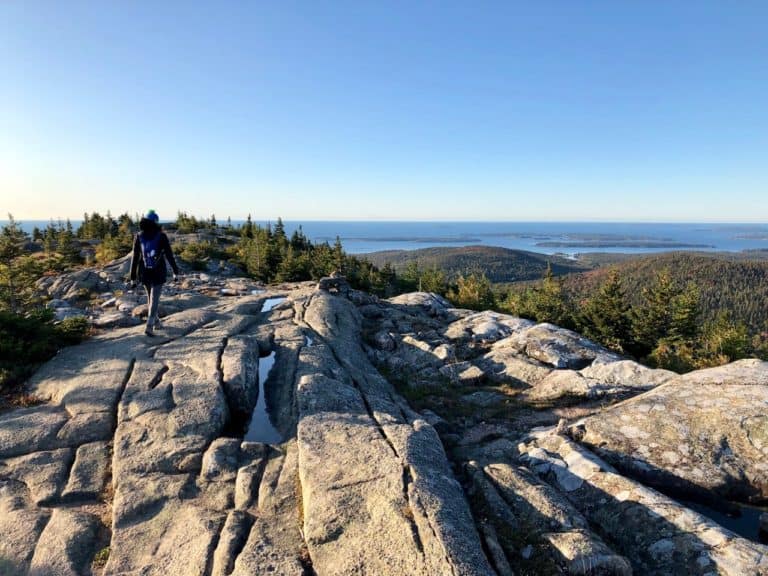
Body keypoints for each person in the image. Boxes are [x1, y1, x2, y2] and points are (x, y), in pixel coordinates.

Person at [129, 210, 179, 336]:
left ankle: (157, 322)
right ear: (156, 221)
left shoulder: (139, 236)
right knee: (154, 299)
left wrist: (133, 277)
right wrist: (175, 271)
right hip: (158, 271)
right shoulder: (161, 236)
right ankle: (149, 325)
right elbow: (169, 255)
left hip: (144, 271)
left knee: (150, 298)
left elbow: (135, 257)